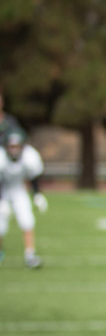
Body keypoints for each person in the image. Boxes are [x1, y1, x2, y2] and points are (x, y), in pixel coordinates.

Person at [0, 89, 47, 269]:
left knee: (27, 219)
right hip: (3, 188)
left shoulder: (29, 155)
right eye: (11, 146)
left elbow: (34, 175)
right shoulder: (2, 157)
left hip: (19, 187)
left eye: (16, 146)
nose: (14, 150)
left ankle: (30, 254)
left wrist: (37, 195)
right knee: (1, 225)